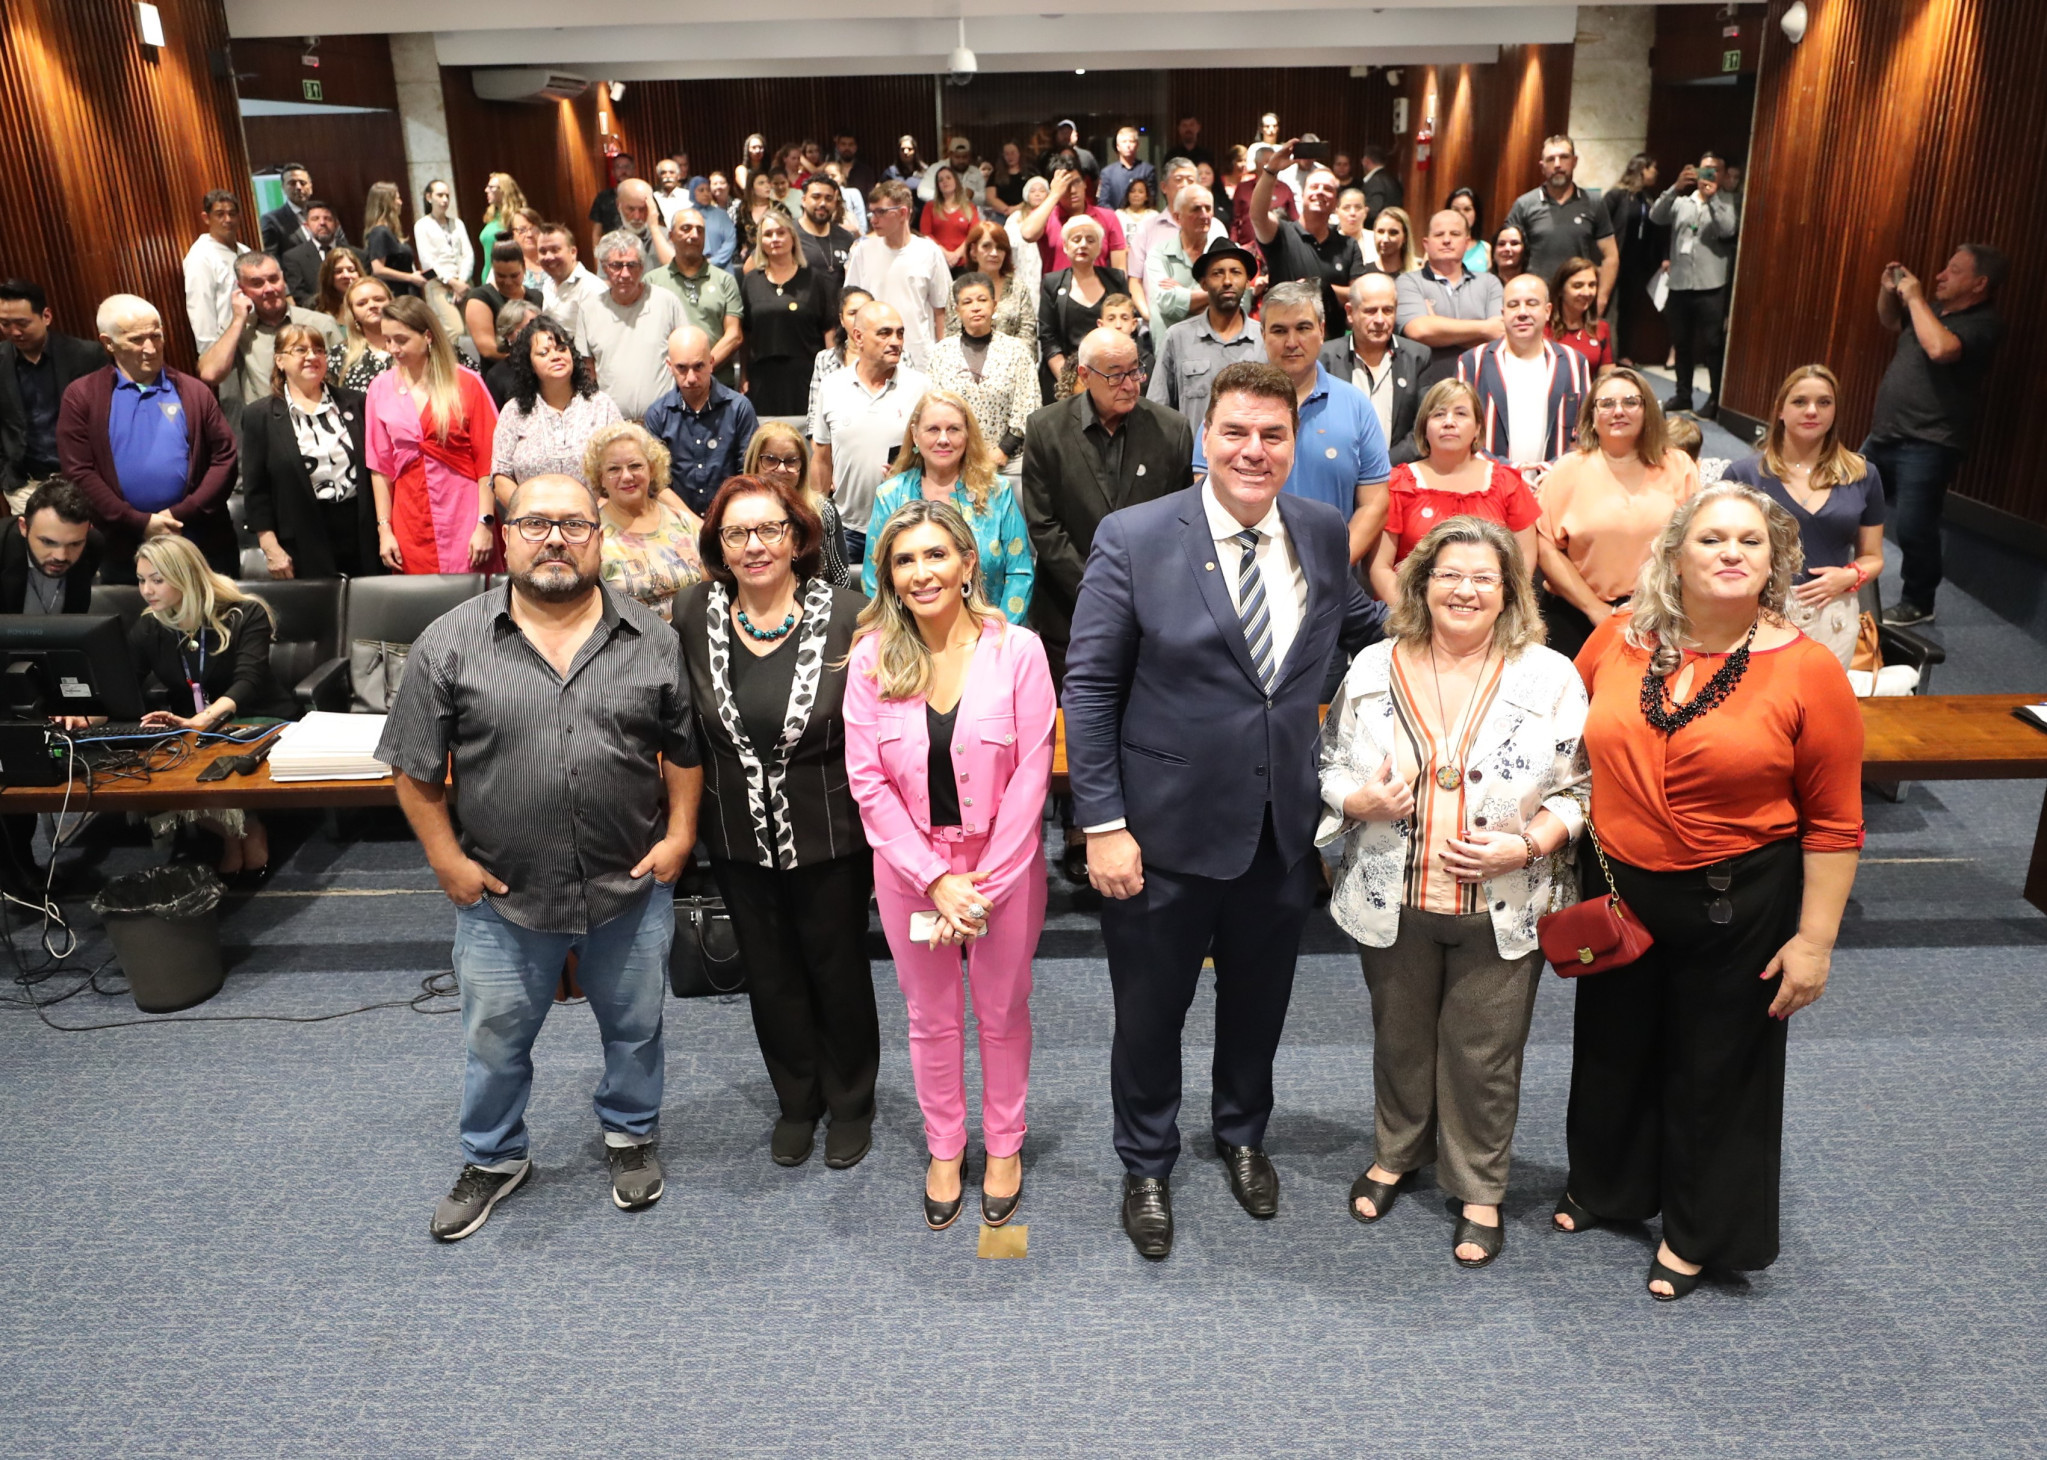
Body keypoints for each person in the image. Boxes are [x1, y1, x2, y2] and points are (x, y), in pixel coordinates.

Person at [1064, 361, 1386, 1260]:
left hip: (1278, 833)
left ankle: (1242, 1134)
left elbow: (1362, 627)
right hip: (1159, 835)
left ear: (1293, 443)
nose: (1253, 450)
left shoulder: (1320, 531)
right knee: (1149, 1013)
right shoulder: (1134, 537)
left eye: (1272, 435)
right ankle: (1146, 1160)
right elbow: (1088, 689)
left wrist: (1468, 631)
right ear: (1205, 437)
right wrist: (1102, 825)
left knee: (1258, 1005)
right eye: (1235, 432)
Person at [1560, 482, 1864, 1301]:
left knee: (1717, 1068)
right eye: (1710, 538)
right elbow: (1561, 740)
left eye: (1748, 541)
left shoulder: (1807, 672)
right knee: (1614, 1044)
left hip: (1738, 899)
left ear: (1773, 562)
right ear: (1673, 556)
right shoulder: (1618, 638)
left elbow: (1835, 824)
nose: (1730, 552)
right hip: (1617, 885)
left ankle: (1698, 1231)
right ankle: (1609, 1185)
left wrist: (1814, 943)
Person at [380, 472, 699, 1241]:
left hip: (628, 887)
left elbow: (685, 751)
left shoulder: (654, 640)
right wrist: (446, 863)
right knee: (494, 1042)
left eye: (574, 524)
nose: (555, 539)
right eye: (535, 524)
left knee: (636, 1029)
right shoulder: (449, 642)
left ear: (599, 536)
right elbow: (413, 769)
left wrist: (681, 834)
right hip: (502, 894)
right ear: (504, 534)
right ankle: (493, 1158)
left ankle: (629, 1133)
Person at [1319, 515, 1586, 1266]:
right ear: (1421, 584)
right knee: (1399, 1040)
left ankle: (1478, 1186)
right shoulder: (1372, 667)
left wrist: (1527, 844)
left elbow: (1585, 788)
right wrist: (1356, 800)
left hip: (1503, 904)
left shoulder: (1551, 676)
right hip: (1391, 895)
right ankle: (1397, 1150)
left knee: (1483, 1055)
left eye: (1483, 578)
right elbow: (1330, 763)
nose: (1465, 590)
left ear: (1509, 591)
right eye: (1449, 575)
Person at [844, 498, 1054, 1229]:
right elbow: (867, 780)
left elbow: (1032, 774)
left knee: (1001, 1010)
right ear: (888, 576)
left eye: (936, 554)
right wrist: (934, 879)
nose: (921, 572)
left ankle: (1003, 1143)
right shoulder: (871, 657)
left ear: (968, 563)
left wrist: (980, 885)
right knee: (930, 1018)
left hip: (1004, 867)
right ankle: (944, 1145)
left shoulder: (1018, 650)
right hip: (911, 871)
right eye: (904, 560)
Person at [674, 472, 879, 1169]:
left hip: (831, 831)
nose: (754, 546)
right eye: (737, 533)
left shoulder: (850, 613)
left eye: (769, 529)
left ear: (797, 538)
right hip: (735, 833)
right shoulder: (692, 611)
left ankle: (850, 1100)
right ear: (718, 545)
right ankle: (797, 1099)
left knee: (837, 968)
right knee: (769, 974)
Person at [129, 534, 298, 878]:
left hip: (257, 717)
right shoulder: (151, 625)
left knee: (220, 758)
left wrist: (204, 718)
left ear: (186, 577)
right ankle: (235, 830)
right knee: (157, 766)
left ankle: (244, 827)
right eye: (141, 580)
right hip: (194, 725)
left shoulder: (245, 612)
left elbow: (248, 681)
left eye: (157, 580)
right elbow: (125, 680)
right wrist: (86, 713)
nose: (146, 590)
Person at [1863, 243, 2005, 627]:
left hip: (1930, 441)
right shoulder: (1932, 311)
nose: (1941, 275)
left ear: (1979, 283)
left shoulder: (1984, 324)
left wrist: (1915, 298)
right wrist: (1889, 292)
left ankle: (1918, 601)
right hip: (1886, 432)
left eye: (1954, 270)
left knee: (1914, 526)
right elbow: (1890, 320)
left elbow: (1940, 348)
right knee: (1845, 496)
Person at [58, 295, 239, 582]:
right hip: (125, 548)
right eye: (136, 340)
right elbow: (79, 472)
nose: (151, 348)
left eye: (156, 336)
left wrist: (178, 515)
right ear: (108, 343)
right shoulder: (82, 396)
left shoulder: (194, 391)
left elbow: (225, 459)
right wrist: (139, 522)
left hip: (201, 542)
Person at [1212, 280, 1390, 566]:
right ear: (1262, 334)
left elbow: (1375, 504)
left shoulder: (1357, 406)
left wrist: (1333, 568)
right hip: (1243, 570)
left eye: (1303, 328)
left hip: (1332, 570)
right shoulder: (1230, 405)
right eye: (1279, 330)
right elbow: (1207, 485)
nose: (1292, 342)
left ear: (1322, 330)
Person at [1722, 365, 1886, 667]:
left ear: (1835, 411)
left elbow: (1873, 557)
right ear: (1780, 410)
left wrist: (1849, 576)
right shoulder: (1743, 474)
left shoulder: (1863, 475)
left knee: (1822, 695)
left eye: (1824, 402)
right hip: (1760, 610)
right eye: (1800, 401)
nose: (1812, 411)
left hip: (1833, 614)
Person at [1535, 365, 1700, 657]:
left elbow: (1694, 541)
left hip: (1658, 613)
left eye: (1630, 402)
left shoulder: (1679, 466)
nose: (1618, 411)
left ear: (1647, 410)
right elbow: (1546, 547)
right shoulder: (1567, 470)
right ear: (1592, 415)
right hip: (1578, 613)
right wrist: (1594, 609)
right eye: (1607, 403)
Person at [861, 389, 1034, 623]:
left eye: (953, 429)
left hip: (990, 632)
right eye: (933, 429)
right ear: (915, 434)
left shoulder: (997, 492)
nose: (943, 439)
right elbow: (875, 579)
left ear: (967, 434)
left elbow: (1019, 574)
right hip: (908, 634)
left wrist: (999, 633)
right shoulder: (890, 496)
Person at [1367, 380, 1540, 604]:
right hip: (1410, 612)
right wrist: (1415, 616)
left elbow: (1523, 563)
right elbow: (1380, 567)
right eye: (1439, 414)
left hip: (1488, 612)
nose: (1449, 422)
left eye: (1460, 413)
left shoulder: (1508, 483)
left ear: (1477, 428)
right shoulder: (1398, 484)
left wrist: (1496, 610)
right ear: (1424, 428)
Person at [365, 295, 500, 574]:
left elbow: (488, 461)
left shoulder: (467, 382)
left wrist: (484, 523)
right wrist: (384, 530)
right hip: (410, 517)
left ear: (427, 336)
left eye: (401, 340)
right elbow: (380, 468)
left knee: (474, 593)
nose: (393, 348)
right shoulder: (379, 388)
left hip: (464, 512)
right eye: (387, 340)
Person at [240, 322, 378, 579]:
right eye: (300, 350)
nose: (312, 356)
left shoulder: (356, 402)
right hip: (302, 539)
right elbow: (256, 491)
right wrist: (270, 547)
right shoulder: (259, 416)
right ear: (280, 360)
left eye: (318, 350)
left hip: (362, 533)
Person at [812, 302, 930, 567]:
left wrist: (910, 470)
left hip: (904, 523)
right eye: (884, 333)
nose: (895, 341)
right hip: (845, 527)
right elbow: (821, 458)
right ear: (858, 337)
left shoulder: (921, 387)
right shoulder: (832, 386)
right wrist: (817, 516)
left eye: (900, 333)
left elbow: (936, 456)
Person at [1454, 275, 1590, 470]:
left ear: (1547, 311)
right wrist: (1507, 471)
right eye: (1513, 305)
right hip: (1491, 482)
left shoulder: (1574, 362)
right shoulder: (1472, 362)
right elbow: (1459, 431)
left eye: (1532, 304)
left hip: (1556, 482)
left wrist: (1553, 470)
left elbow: (1587, 431)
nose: (1522, 312)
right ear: (1503, 313)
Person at [490, 315, 622, 507]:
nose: (555, 356)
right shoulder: (513, 411)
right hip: (531, 519)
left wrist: (596, 513)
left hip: (597, 517)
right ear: (530, 365)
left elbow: (622, 466)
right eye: (543, 353)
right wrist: (529, 515)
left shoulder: (602, 405)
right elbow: (500, 475)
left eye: (561, 349)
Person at [195, 251, 346, 418]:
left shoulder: (320, 323)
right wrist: (238, 320)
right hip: (267, 424)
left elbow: (345, 379)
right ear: (242, 289)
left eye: (274, 279)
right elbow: (210, 373)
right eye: (257, 283)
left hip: (322, 418)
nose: (269, 289)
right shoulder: (237, 331)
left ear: (283, 279)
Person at [0, 279, 108, 513]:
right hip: (25, 485)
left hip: (84, 479)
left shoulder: (86, 355)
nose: (14, 332)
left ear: (46, 316)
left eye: (22, 323)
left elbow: (109, 418)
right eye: (5, 324)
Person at [584, 420, 701, 622]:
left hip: (690, 634)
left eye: (635, 466)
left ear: (652, 468)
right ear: (600, 477)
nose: (626, 476)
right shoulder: (592, 533)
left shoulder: (682, 522)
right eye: (613, 469)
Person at [1649, 155, 1739, 416]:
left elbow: (1728, 230)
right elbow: (1656, 216)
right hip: (1679, 284)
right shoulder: (1681, 202)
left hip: (1711, 285)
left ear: (1723, 175)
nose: (1708, 174)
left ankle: (1715, 399)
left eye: (1715, 170)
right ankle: (1683, 395)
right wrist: (1675, 187)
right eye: (1705, 169)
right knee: (1681, 342)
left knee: (1713, 344)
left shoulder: (1729, 202)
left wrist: (1712, 200)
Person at [570, 231, 690, 423]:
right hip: (612, 424)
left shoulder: (667, 302)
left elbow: (687, 357)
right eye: (616, 265)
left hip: (666, 422)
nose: (625, 274)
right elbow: (588, 370)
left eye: (632, 265)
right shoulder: (589, 309)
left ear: (642, 267)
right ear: (604, 267)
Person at [1248, 143, 1366, 330]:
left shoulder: (1348, 245)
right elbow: (1257, 214)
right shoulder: (1281, 233)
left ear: (1336, 202)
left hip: (1331, 339)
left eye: (1328, 189)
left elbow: (1359, 295)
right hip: (1285, 336)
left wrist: (1320, 287)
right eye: (1314, 187)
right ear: (1302, 195)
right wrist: (1271, 171)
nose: (1320, 191)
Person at [1148, 243, 1264, 432]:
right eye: (1217, 273)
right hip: (1193, 450)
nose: (1227, 281)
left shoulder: (1265, 339)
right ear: (1204, 284)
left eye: (1236, 272)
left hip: (1251, 449)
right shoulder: (1177, 338)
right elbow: (1158, 410)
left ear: (1247, 282)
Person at [644, 326, 758, 516]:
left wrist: (725, 520)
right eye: (682, 368)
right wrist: (693, 523)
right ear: (669, 366)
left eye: (698, 366)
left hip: (732, 517)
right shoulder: (657, 414)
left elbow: (749, 474)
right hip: (676, 520)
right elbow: (657, 483)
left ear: (711, 363)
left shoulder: (739, 408)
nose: (691, 378)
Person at [927, 274, 1036, 472]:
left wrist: (1004, 450)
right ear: (957, 309)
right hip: (954, 460)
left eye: (982, 300)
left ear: (994, 305)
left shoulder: (1017, 351)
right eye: (967, 302)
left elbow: (1028, 404)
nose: (975, 307)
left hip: (1008, 462)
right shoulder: (940, 353)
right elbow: (933, 408)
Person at [1323, 273, 1429, 468]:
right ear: (1350, 312)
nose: (1380, 320)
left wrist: (1379, 468)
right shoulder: (1324, 359)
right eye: (1370, 311)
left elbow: (1423, 428)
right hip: (1337, 472)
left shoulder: (1419, 357)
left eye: (1388, 310)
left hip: (1398, 473)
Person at [1503, 136, 1618, 315]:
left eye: (1564, 157)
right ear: (1542, 166)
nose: (1557, 164)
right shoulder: (1524, 204)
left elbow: (1610, 256)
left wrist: (1601, 298)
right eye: (1551, 159)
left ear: (1574, 161)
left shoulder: (1594, 203)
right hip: (1536, 302)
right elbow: (1506, 254)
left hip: (1579, 303)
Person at [845, 182, 952, 372]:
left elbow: (941, 309)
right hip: (873, 358)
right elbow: (851, 306)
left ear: (903, 213)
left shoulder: (929, 251)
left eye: (881, 212)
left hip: (919, 358)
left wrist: (943, 358)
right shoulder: (863, 251)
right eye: (872, 213)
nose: (873, 220)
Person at [740, 211, 836, 418]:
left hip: (806, 377)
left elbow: (828, 330)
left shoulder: (814, 279)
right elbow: (746, 334)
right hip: (762, 379)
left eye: (781, 232)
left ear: (792, 237)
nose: (775, 239)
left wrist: (832, 377)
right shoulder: (751, 281)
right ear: (761, 241)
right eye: (768, 234)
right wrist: (744, 376)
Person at [1396, 209, 1505, 389]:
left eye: (1455, 234)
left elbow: (1499, 334)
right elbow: (1419, 330)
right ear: (1426, 244)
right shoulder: (1408, 282)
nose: (1447, 240)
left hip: (1479, 386)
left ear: (1467, 242)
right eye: (1439, 234)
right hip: (1428, 389)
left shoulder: (1490, 282)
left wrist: (1437, 326)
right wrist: (1484, 328)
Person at [745, 420, 853, 588]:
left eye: (791, 461)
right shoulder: (738, 513)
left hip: (817, 601)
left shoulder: (822, 512)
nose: (781, 469)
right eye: (771, 459)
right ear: (755, 462)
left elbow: (841, 579)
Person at [648, 210, 746, 390]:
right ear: (671, 235)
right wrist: (682, 373)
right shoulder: (652, 282)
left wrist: (701, 369)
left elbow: (734, 335)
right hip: (666, 387)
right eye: (686, 228)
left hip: (718, 384)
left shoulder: (725, 280)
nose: (694, 235)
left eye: (699, 230)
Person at [1038, 217, 1129, 397]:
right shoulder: (1052, 283)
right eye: (1076, 239)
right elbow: (1048, 339)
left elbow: (1127, 327)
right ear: (1065, 246)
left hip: (1111, 373)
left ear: (1100, 247)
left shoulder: (1116, 279)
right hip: (1064, 376)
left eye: (1090, 240)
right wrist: (1070, 382)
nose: (1083, 245)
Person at [1142, 182, 1230, 340]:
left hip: (1218, 345)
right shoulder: (1159, 255)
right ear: (1177, 217)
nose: (1204, 215)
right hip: (1173, 348)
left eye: (1208, 208)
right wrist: (1218, 294)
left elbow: (1239, 302)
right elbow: (1167, 304)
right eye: (1196, 209)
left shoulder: (1228, 254)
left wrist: (1184, 296)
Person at [1600, 154, 1662, 365]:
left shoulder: (1648, 198)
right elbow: (1601, 228)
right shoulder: (1616, 195)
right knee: (1606, 306)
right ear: (1642, 169)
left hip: (1637, 264)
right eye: (1653, 168)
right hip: (1615, 261)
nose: (1656, 173)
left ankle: (1623, 353)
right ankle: (1602, 353)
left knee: (1629, 310)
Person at [1020, 167, 1128, 277]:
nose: (1073, 190)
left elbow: (1119, 268)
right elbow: (1028, 234)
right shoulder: (1047, 216)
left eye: (1076, 182)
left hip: (1099, 285)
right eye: (1065, 185)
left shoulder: (1108, 217)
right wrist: (1054, 194)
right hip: (1056, 286)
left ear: (1085, 183)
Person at [182, 191, 249, 354]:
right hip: (225, 346)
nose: (228, 219)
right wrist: (210, 354)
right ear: (206, 218)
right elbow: (200, 309)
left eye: (232, 214)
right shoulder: (201, 256)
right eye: (220, 214)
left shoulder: (245, 251)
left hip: (252, 339)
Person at [949, 224, 1036, 347]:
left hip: (1014, 357)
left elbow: (1028, 336)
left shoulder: (1018, 288)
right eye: (986, 246)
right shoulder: (958, 288)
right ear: (973, 251)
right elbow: (952, 334)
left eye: (1000, 248)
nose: (994, 253)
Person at [805, 286, 871, 442]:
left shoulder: (899, 358)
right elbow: (815, 419)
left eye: (865, 312)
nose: (859, 319)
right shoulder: (825, 359)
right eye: (852, 313)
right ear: (842, 319)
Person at [413, 179, 475, 339]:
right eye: (440, 195)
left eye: (447, 195)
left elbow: (468, 254)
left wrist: (461, 281)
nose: (445, 200)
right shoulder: (422, 225)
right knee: (455, 330)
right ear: (429, 197)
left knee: (472, 328)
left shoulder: (457, 223)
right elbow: (427, 261)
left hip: (464, 282)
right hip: (441, 284)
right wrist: (452, 282)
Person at [462, 241, 539, 365]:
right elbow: (487, 350)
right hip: (500, 370)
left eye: (514, 275)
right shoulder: (480, 297)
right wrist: (530, 361)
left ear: (524, 269)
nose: (508, 282)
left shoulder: (537, 297)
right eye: (501, 276)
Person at [534, 222, 605, 327]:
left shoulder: (592, 288)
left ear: (573, 252)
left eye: (555, 250)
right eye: (543, 251)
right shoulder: (548, 285)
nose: (548, 257)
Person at [362, 181, 425, 300]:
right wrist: (410, 277)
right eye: (397, 198)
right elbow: (378, 269)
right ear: (387, 203)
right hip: (396, 294)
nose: (400, 202)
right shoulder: (379, 232)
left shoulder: (388, 232)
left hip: (404, 292)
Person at [1548, 255, 1613, 369]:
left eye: (1592, 285)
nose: (1586, 293)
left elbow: (1607, 374)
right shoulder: (1542, 328)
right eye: (1578, 286)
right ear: (1560, 290)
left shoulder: (1601, 328)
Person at [279, 201, 346, 309]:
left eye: (328, 219)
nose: (322, 223)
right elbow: (299, 295)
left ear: (337, 224)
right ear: (306, 226)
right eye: (315, 219)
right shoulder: (293, 258)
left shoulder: (358, 254)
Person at [794, 175, 856, 288]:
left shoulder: (846, 238)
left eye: (828, 198)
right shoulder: (789, 234)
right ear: (803, 200)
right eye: (816, 197)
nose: (822, 203)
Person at [337, 276, 396, 391]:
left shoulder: (413, 343)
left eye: (379, 299)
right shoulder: (339, 355)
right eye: (362, 303)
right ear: (352, 313)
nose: (372, 305)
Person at [918, 165, 977, 273]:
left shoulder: (970, 207)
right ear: (938, 185)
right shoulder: (929, 207)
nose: (945, 181)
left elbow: (974, 234)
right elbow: (926, 234)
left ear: (956, 181)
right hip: (937, 262)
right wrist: (945, 254)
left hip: (964, 264)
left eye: (948, 178)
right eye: (940, 180)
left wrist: (957, 254)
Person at [472, 173, 528, 285]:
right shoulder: (493, 216)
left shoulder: (516, 217)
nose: (486, 190)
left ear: (504, 190)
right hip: (489, 276)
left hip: (507, 278)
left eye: (491, 187)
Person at [613, 179, 676, 272]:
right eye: (631, 209)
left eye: (642, 209)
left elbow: (675, 268)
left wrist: (654, 228)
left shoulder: (667, 236)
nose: (637, 217)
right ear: (619, 205)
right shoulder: (611, 241)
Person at [259, 163, 323, 255]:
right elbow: (270, 258)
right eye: (292, 183)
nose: (298, 187)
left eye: (303, 183)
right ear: (283, 188)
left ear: (310, 186)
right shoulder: (271, 220)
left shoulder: (324, 211)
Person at [1098, 126, 1158, 212]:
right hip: (1115, 217)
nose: (1128, 145)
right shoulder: (1107, 173)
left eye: (1131, 141)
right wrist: (1118, 216)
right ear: (1118, 146)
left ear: (1137, 145)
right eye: (1124, 142)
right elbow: (1103, 202)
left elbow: (1152, 200)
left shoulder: (1148, 170)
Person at [1357, 142, 1403, 224]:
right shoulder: (1393, 179)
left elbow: (1373, 211)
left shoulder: (1374, 182)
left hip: (1377, 227)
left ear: (1366, 161)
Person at [1446, 188, 1490, 274]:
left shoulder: (1486, 248)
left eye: (1467, 209)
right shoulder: (1437, 245)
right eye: (1456, 210)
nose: (1462, 214)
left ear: (1476, 213)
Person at [1370, 206, 1420, 278]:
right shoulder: (1363, 273)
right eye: (1381, 232)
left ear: (1405, 237)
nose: (1385, 239)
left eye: (1393, 233)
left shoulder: (1416, 277)